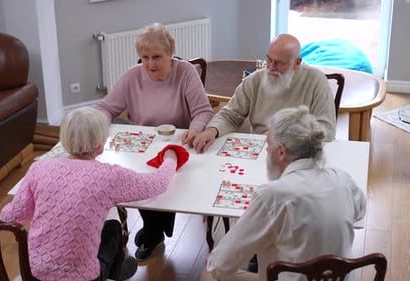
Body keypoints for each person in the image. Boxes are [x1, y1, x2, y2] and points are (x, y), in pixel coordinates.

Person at [0, 106, 183, 281]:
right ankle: (116, 268)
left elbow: (10, 217)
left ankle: (116, 267)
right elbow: (156, 184)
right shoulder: (108, 175)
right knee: (112, 227)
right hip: (85, 277)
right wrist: (170, 159)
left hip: (36, 273)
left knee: (94, 215)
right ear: (100, 143)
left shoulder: (39, 168)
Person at [200, 106, 366, 281]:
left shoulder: (273, 195)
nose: (266, 150)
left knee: (207, 273)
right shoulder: (343, 180)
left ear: (281, 152)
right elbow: (360, 212)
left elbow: (219, 266)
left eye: (269, 144)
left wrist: (213, 258)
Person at [96, 23, 214, 260]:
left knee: (170, 185)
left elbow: (203, 111)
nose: (150, 64)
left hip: (179, 146)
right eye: (145, 57)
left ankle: (152, 233)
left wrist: (195, 129)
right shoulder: (132, 76)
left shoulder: (186, 72)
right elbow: (106, 107)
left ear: (171, 53)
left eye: (157, 57)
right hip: (143, 149)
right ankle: (153, 232)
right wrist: (93, 124)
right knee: (138, 183)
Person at [192, 34, 336, 153]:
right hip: (261, 149)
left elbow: (326, 130)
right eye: (269, 59)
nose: (271, 67)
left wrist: (284, 136)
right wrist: (212, 130)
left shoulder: (316, 80)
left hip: (299, 152)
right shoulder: (254, 80)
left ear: (297, 62)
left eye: (279, 63)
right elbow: (230, 115)